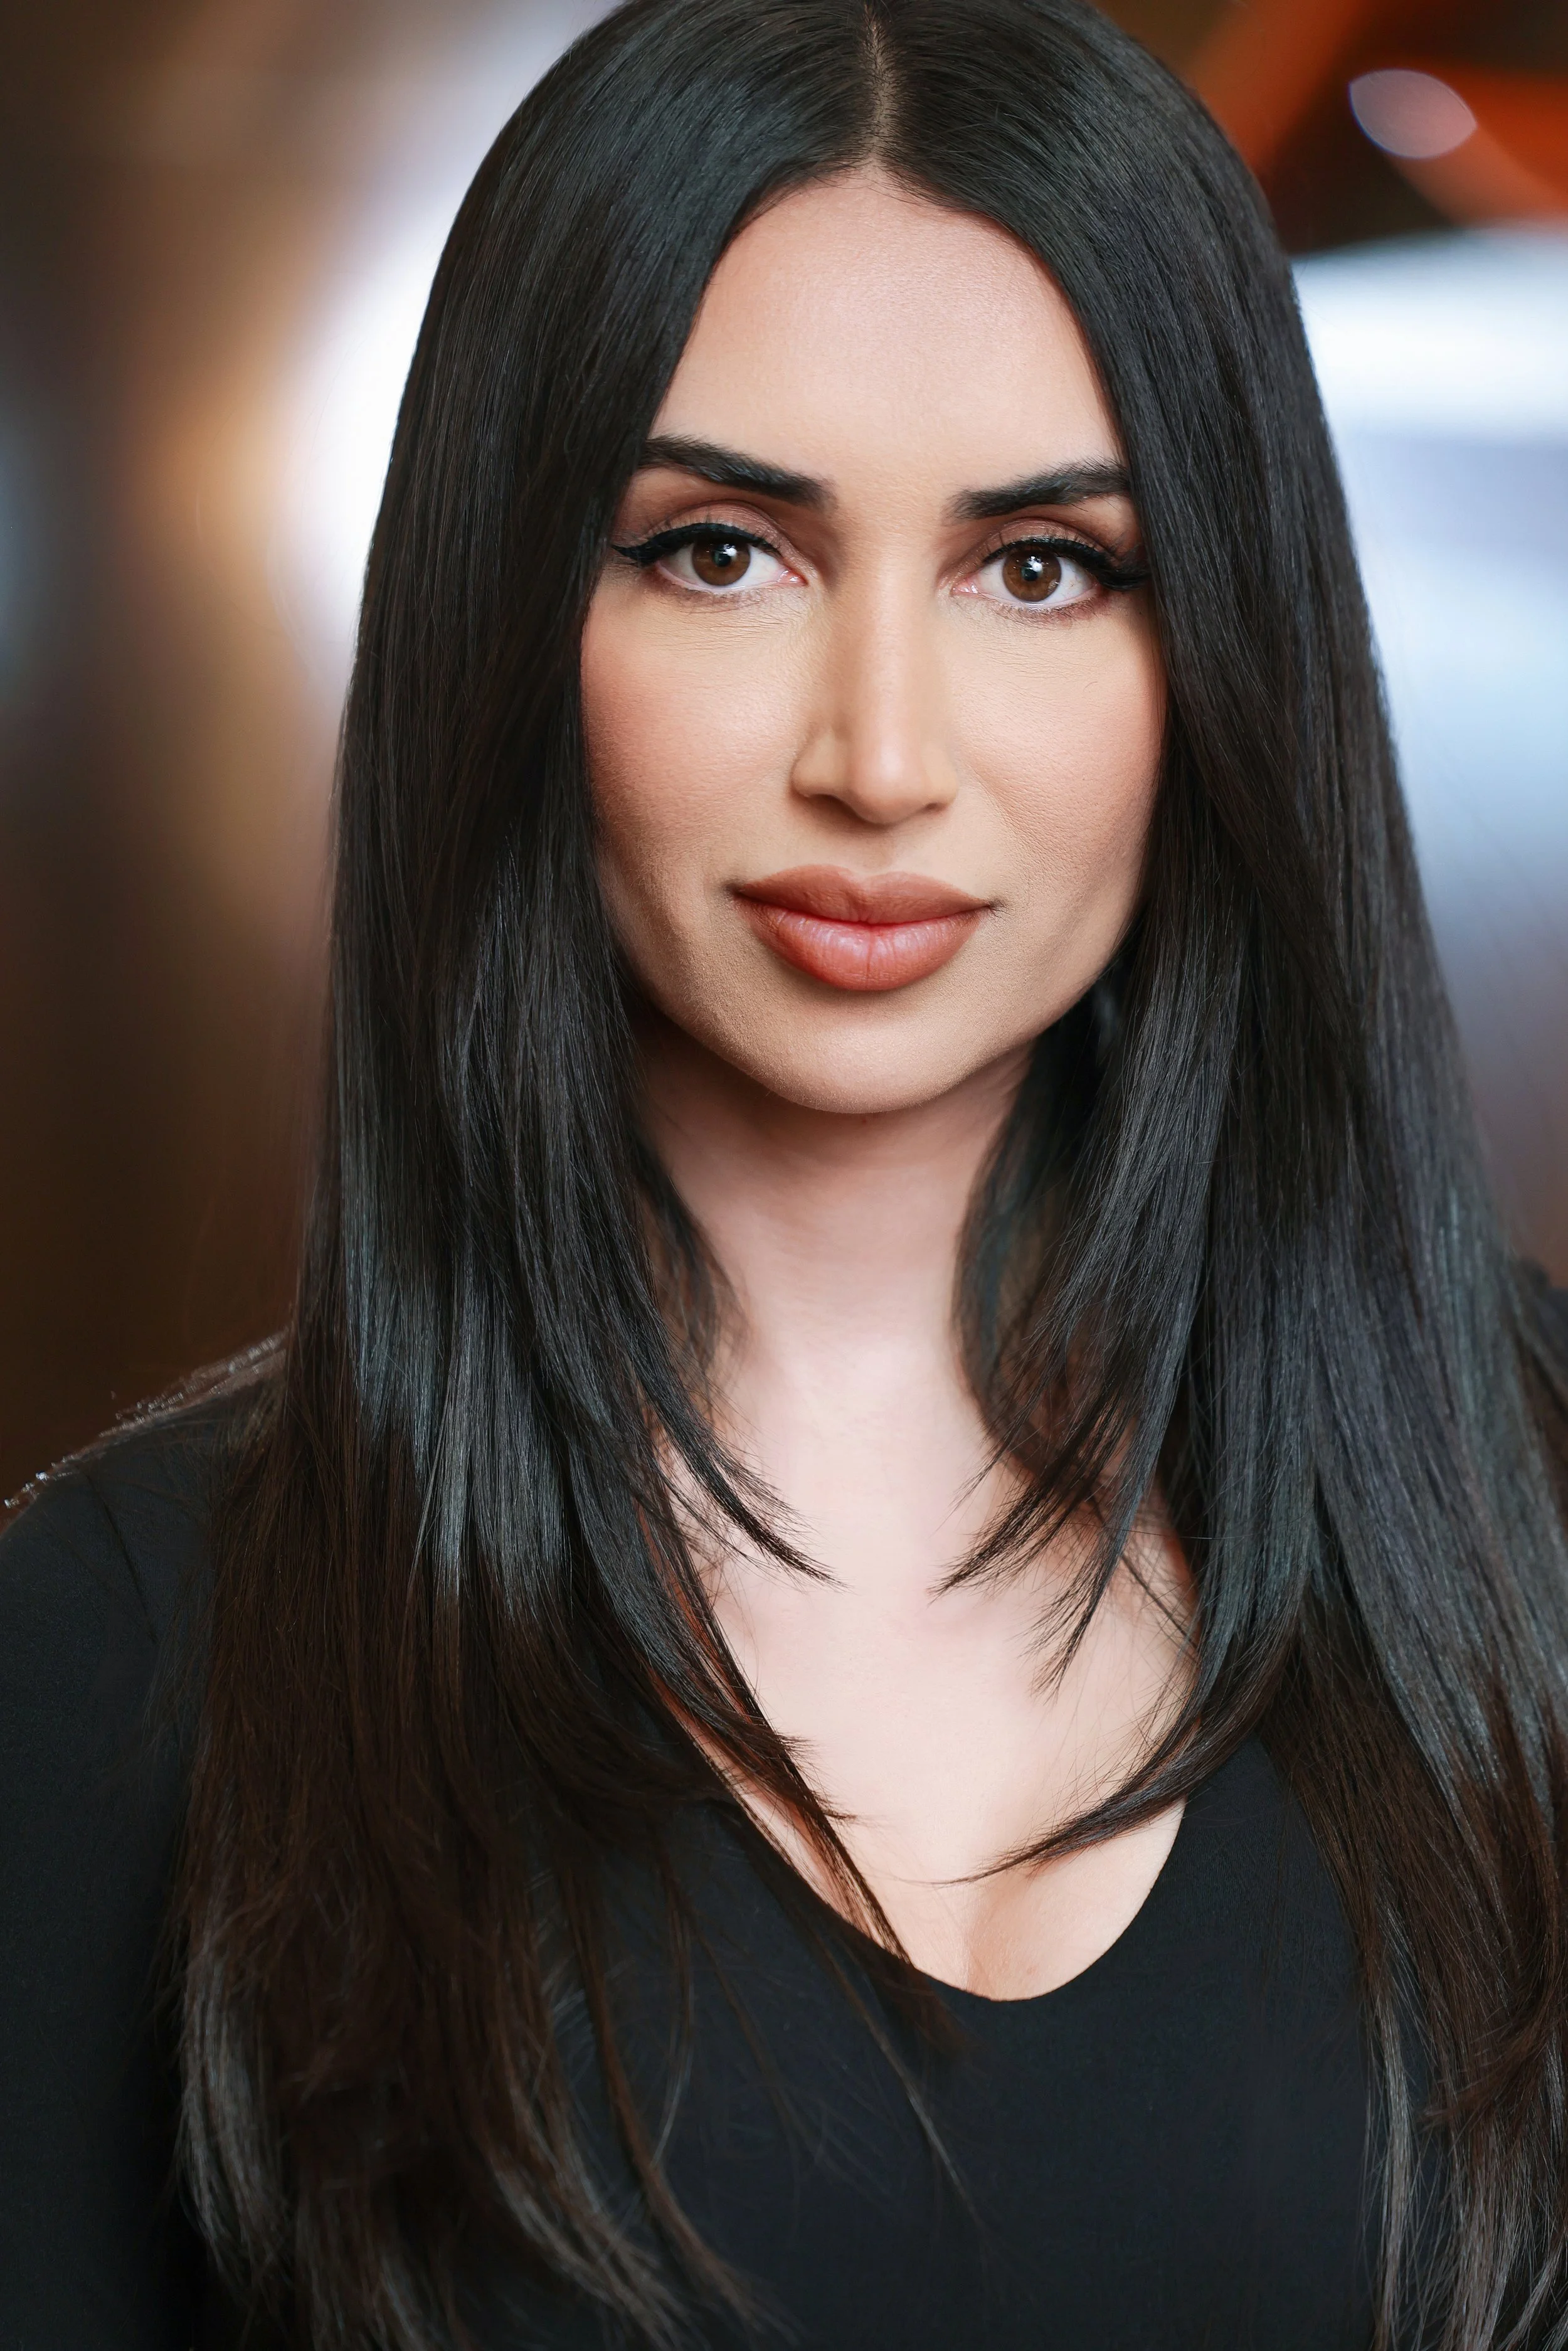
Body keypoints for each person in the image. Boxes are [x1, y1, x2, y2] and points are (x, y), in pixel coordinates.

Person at [4, 0, 1567, 2343]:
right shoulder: (122, 1647)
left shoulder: (1532, 1502)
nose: (881, 755)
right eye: (720, 551)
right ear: (519, 615)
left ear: (1220, 641)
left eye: (1040, 568)